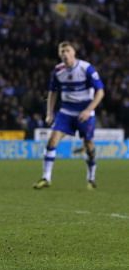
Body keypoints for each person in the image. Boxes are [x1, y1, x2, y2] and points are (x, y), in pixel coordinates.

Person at [33, 41, 105, 190]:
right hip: (66, 112)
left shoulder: (87, 68)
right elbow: (52, 92)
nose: (64, 54)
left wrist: (88, 110)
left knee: (89, 146)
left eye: (67, 50)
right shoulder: (58, 71)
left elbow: (100, 92)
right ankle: (46, 177)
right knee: (52, 141)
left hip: (85, 112)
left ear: (74, 52)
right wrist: (49, 113)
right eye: (61, 52)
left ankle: (91, 178)